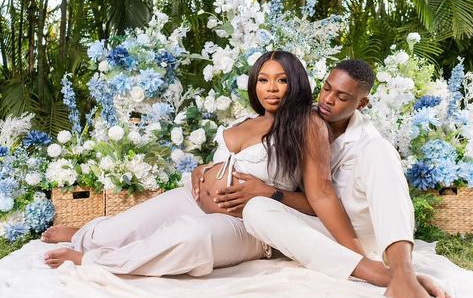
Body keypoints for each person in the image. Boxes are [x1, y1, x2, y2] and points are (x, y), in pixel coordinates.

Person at [41, 51, 377, 280]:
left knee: (190, 238)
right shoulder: (248, 120)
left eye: (281, 80)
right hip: (193, 197)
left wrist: (355, 256)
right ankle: (88, 236)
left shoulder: (306, 123)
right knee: (116, 230)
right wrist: (203, 169)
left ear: (296, 83)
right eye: (263, 79)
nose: (271, 88)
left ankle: (97, 260)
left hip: (246, 227)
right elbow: (230, 160)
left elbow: (320, 197)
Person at [206, 59, 451, 298]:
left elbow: (341, 197)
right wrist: (211, 171)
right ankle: (390, 278)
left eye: (342, 96)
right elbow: (313, 197)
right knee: (256, 209)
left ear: (361, 104)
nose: (328, 100)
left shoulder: (369, 144)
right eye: (326, 89)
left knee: (382, 151)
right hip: (320, 233)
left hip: (359, 235)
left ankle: (403, 275)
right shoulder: (303, 122)